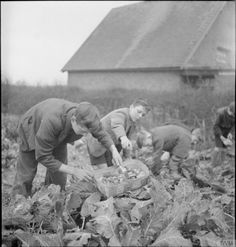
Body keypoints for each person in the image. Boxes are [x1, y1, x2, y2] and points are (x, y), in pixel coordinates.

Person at [12, 98, 123, 198]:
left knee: (59, 180)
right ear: (74, 120)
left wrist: (114, 150)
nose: (85, 135)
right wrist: (74, 171)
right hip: (32, 127)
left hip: (59, 136)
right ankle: (18, 202)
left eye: (88, 132)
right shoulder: (53, 120)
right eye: (83, 131)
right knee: (27, 172)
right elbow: (43, 156)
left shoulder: (89, 120)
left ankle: (49, 199)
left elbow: (101, 134)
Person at [86, 98, 151, 169]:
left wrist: (127, 157)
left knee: (112, 169)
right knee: (103, 171)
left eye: (143, 115)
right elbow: (117, 125)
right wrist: (123, 137)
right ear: (132, 107)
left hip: (110, 146)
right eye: (139, 111)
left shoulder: (133, 124)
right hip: (97, 143)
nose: (140, 116)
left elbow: (127, 142)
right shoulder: (120, 114)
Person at [136, 124, 203, 179]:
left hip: (183, 139)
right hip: (178, 139)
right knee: (173, 158)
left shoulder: (157, 138)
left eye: (147, 144)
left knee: (175, 160)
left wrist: (154, 172)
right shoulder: (154, 133)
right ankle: (177, 172)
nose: (148, 146)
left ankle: (175, 175)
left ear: (148, 137)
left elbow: (157, 156)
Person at [211, 101, 235, 167]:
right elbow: (216, 126)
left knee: (224, 149)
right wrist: (220, 136)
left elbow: (234, 126)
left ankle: (222, 165)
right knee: (218, 148)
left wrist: (231, 133)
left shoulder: (233, 115)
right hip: (219, 131)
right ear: (229, 109)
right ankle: (212, 165)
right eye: (232, 113)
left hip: (227, 132)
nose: (233, 115)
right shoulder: (221, 114)